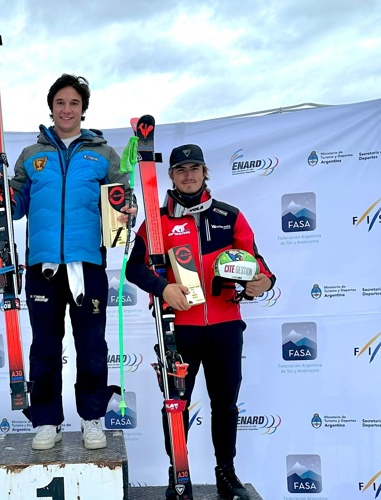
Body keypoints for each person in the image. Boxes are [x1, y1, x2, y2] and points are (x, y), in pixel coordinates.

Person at [0, 74, 136, 451]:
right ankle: (47, 421)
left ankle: (92, 419)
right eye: (60, 103)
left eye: (74, 103)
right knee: (46, 346)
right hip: (43, 267)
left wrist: (126, 209)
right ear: (50, 107)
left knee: (90, 345)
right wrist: (0, 189)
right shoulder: (32, 156)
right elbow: (15, 208)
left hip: (88, 264)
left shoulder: (102, 155)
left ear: (84, 109)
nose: (67, 109)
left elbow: (119, 199)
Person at [124, 143, 274, 499]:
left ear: (205, 172)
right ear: (171, 176)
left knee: (225, 404)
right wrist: (162, 287)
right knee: (176, 404)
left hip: (225, 326)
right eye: (180, 170)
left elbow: (257, 263)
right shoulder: (157, 222)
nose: (188, 175)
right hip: (179, 328)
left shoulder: (229, 215)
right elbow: (134, 268)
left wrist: (263, 282)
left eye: (194, 168)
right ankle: (180, 474)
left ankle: (227, 473)